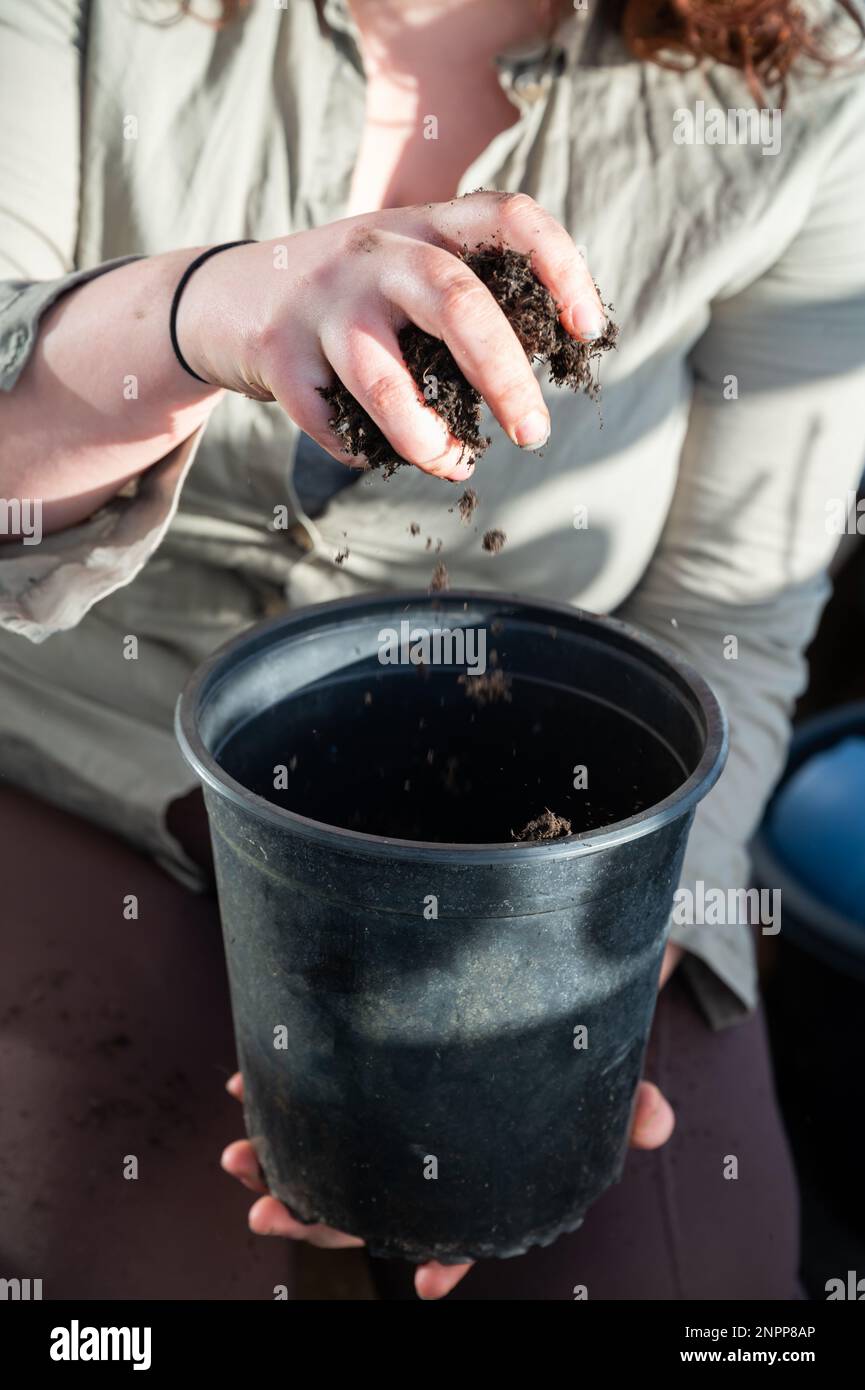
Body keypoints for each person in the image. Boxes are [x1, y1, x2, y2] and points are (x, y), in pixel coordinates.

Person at [1, 0, 863, 1300]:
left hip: (544, 806)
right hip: (78, 746)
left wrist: (609, 956)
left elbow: (729, 612)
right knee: (145, 1272)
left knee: (700, 1284)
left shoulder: (803, 72)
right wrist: (202, 312)